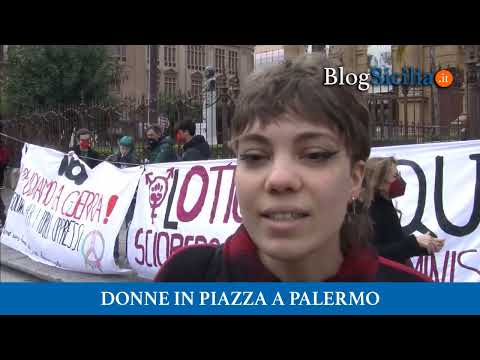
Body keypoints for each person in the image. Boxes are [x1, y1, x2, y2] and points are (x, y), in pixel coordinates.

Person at [154, 53, 431, 282]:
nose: (279, 179)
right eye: (254, 156)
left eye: (314, 155)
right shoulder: (185, 277)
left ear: (355, 178)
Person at [361, 156, 444, 265]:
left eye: (399, 174)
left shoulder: (384, 204)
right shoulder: (368, 211)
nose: (399, 179)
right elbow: (375, 253)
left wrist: (424, 246)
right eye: (395, 176)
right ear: (379, 183)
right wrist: (415, 242)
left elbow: (395, 243)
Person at [106, 136, 139, 262]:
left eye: (126, 148)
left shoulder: (135, 161)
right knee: (114, 226)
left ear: (131, 149)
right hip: (115, 197)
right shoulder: (112, 159)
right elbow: (103, 170)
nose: (123, 150)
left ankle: (129, 255)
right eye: (122, 147)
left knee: (129, 227)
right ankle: (113, 253)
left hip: (130, 199)